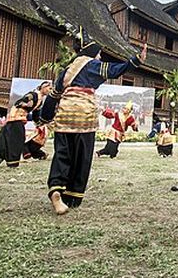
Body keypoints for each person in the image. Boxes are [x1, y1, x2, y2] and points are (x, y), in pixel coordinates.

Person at [40, 41, 146, 215]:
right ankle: (73, 196)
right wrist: (136, 60)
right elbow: (114, 70)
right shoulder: (92, 64)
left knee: (62, 154)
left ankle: (56, 191)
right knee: (82, 156)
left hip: (64, 116)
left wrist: (44, 117)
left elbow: (53, 96)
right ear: (92, 53)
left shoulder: (67, 70)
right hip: (84, 117)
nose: (100, 57)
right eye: (99, 54)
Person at [0, 81, 52, 169]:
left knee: (5, 141)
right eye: (49, 88)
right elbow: (20, 102)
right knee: (17, 141)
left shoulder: (40, 100)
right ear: (43, 87)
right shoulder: (33, 94)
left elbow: (36, 115)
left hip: (15, 120)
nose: (50, 90)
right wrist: (25, 103)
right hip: (16, 119)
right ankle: (12, 163)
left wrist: (40, 124)